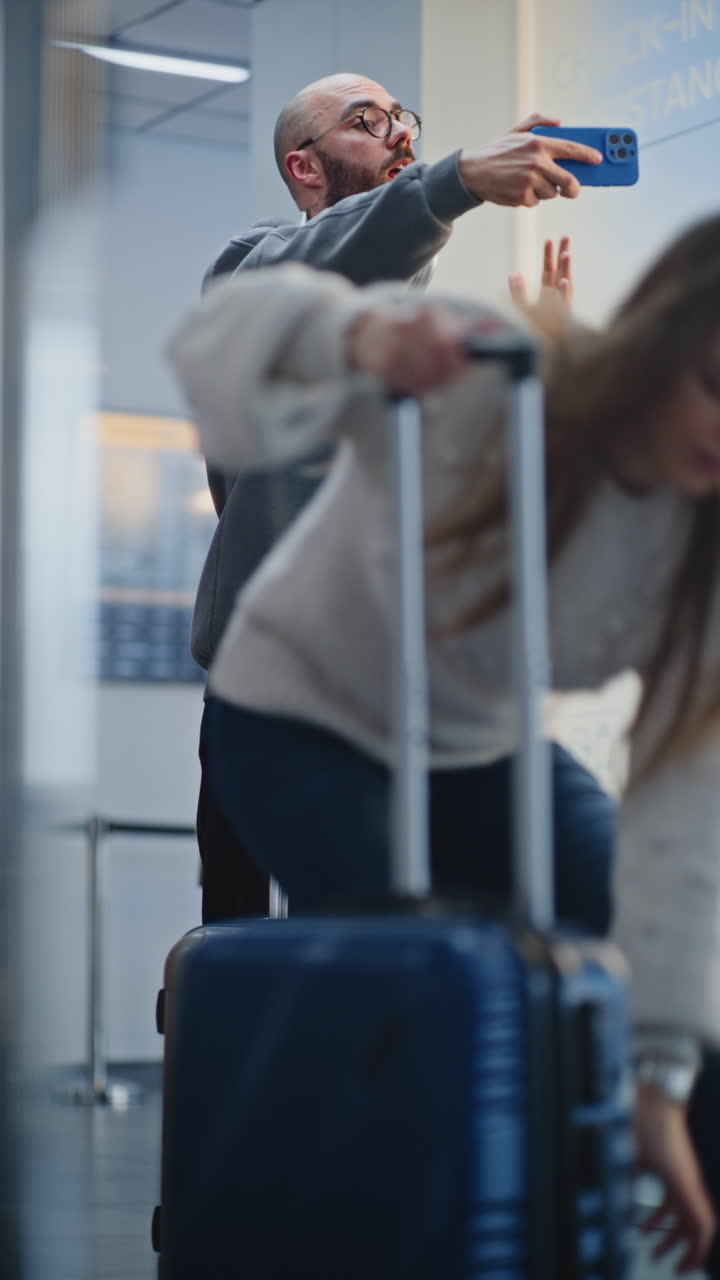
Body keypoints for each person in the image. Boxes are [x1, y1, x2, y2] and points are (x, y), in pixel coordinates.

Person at [169, 214, 720, 1272]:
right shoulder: (490, 370)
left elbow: (680, 822)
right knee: (427, 979)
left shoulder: (699, 549)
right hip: (299, 715)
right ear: (663, 339)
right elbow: (215, 345)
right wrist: (355, 341)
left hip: (476, 750)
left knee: (672, 996)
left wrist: (660, 1082)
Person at [194, 69, 602, 923]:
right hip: (283, 702)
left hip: (429, 698)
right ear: (306, 168)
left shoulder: (444, 351)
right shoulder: (252, 272)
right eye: (367, 120)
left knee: (572, 889)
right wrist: (449, 182)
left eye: (401, 120)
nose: (399, 135)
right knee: (275, 962)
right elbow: (315, 271)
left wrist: (545, 386)